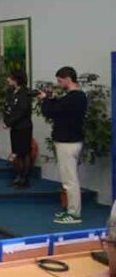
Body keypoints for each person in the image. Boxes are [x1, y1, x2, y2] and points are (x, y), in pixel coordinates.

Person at [38, 67, 88, 224]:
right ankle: (71, 210)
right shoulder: (76, 97)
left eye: (60, 81)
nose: (58, 84)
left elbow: (51, 112)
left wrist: (45, 100)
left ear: (68, 79)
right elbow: (60, 108)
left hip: (68, 143)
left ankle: (74, 214)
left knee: (70, 180)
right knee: (69, 179)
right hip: (71, 141)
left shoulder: (74, 98)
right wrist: (51, 99)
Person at [3, 69, 34, 188]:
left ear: (16, 79)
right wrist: (6, 121)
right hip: (15, 127)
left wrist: (9, 122)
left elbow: (22, 110)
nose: (8, 80)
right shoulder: (11, 92)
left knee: (24, 152)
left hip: (24, 127)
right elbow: (7, 107)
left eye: (10, 77)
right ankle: (19, 175)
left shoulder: (25, 92)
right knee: (16, 152)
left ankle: (25, 178)